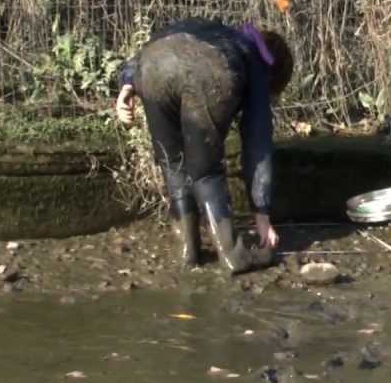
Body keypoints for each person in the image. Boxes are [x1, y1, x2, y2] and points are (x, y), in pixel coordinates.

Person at [113, 18, 293, 274]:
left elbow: (140, 55)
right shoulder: (255, 59)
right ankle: (233, 256)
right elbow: (257, 141)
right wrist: (262, 215)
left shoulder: (221, 31)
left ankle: (189, 251)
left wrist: (126, 86)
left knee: (172, 163)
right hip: (209, 68)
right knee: (206, 172)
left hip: (152, 64)